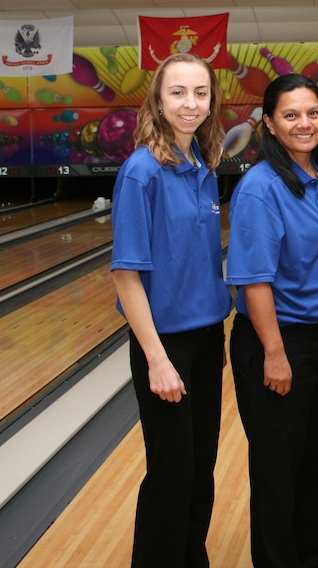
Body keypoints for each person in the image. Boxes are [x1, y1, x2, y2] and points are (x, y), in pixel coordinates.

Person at [110, 53, 231, 568]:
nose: (190, 103)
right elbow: (126, 273)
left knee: (200, 467)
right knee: (170, 473)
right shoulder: (142, 172)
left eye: (200, 93)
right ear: (158, 100)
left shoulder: (202, 166)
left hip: (206, 340)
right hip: (167, 345)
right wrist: (157, 358)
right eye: (178, 92)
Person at [226, 72, 318, 568]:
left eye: (312, 113)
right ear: (269, 125)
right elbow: (254, 282)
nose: (304, 123)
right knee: (278, 471)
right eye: (291, 115)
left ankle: (314, 558)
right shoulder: (260, 188)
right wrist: (275, 355)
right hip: (276, 341)